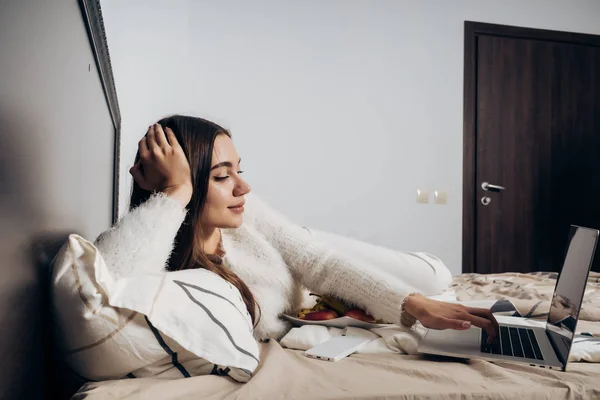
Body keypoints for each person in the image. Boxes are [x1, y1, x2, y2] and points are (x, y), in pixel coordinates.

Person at [94, 115, 499, 344]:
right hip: (305, 298)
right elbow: (109, 287)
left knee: (434, 277)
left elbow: (314, 260)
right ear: (177, 183)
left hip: (302, 248)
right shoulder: (152, 244)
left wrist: (412, 303)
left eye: (240, 170)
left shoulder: (244, 213)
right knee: (434, 287)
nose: (244, 187)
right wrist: (173, 193)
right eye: (221, 176)